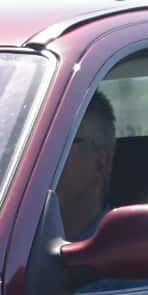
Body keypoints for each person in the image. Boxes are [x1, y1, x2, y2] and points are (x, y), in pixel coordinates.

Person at [53, 90, 118, 240]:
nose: (42, 155)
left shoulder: (125, 251)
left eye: (62, 142)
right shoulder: (6, 246)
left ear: (101, 162)